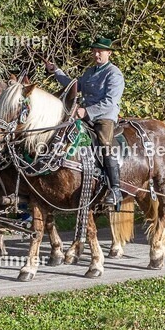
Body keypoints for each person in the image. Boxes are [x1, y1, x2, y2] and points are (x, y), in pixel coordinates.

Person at [47, 36, 125, 208]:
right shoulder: (90, 72)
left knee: (105, 143)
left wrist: (86, 111)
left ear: (108, 53)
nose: (96, 54)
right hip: (84, 115)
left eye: (100, 51)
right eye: (94, 51)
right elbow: (74, 85)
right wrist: (56, 71)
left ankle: (116, 189)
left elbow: (110, 102)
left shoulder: (114, 73)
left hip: (104, 116)